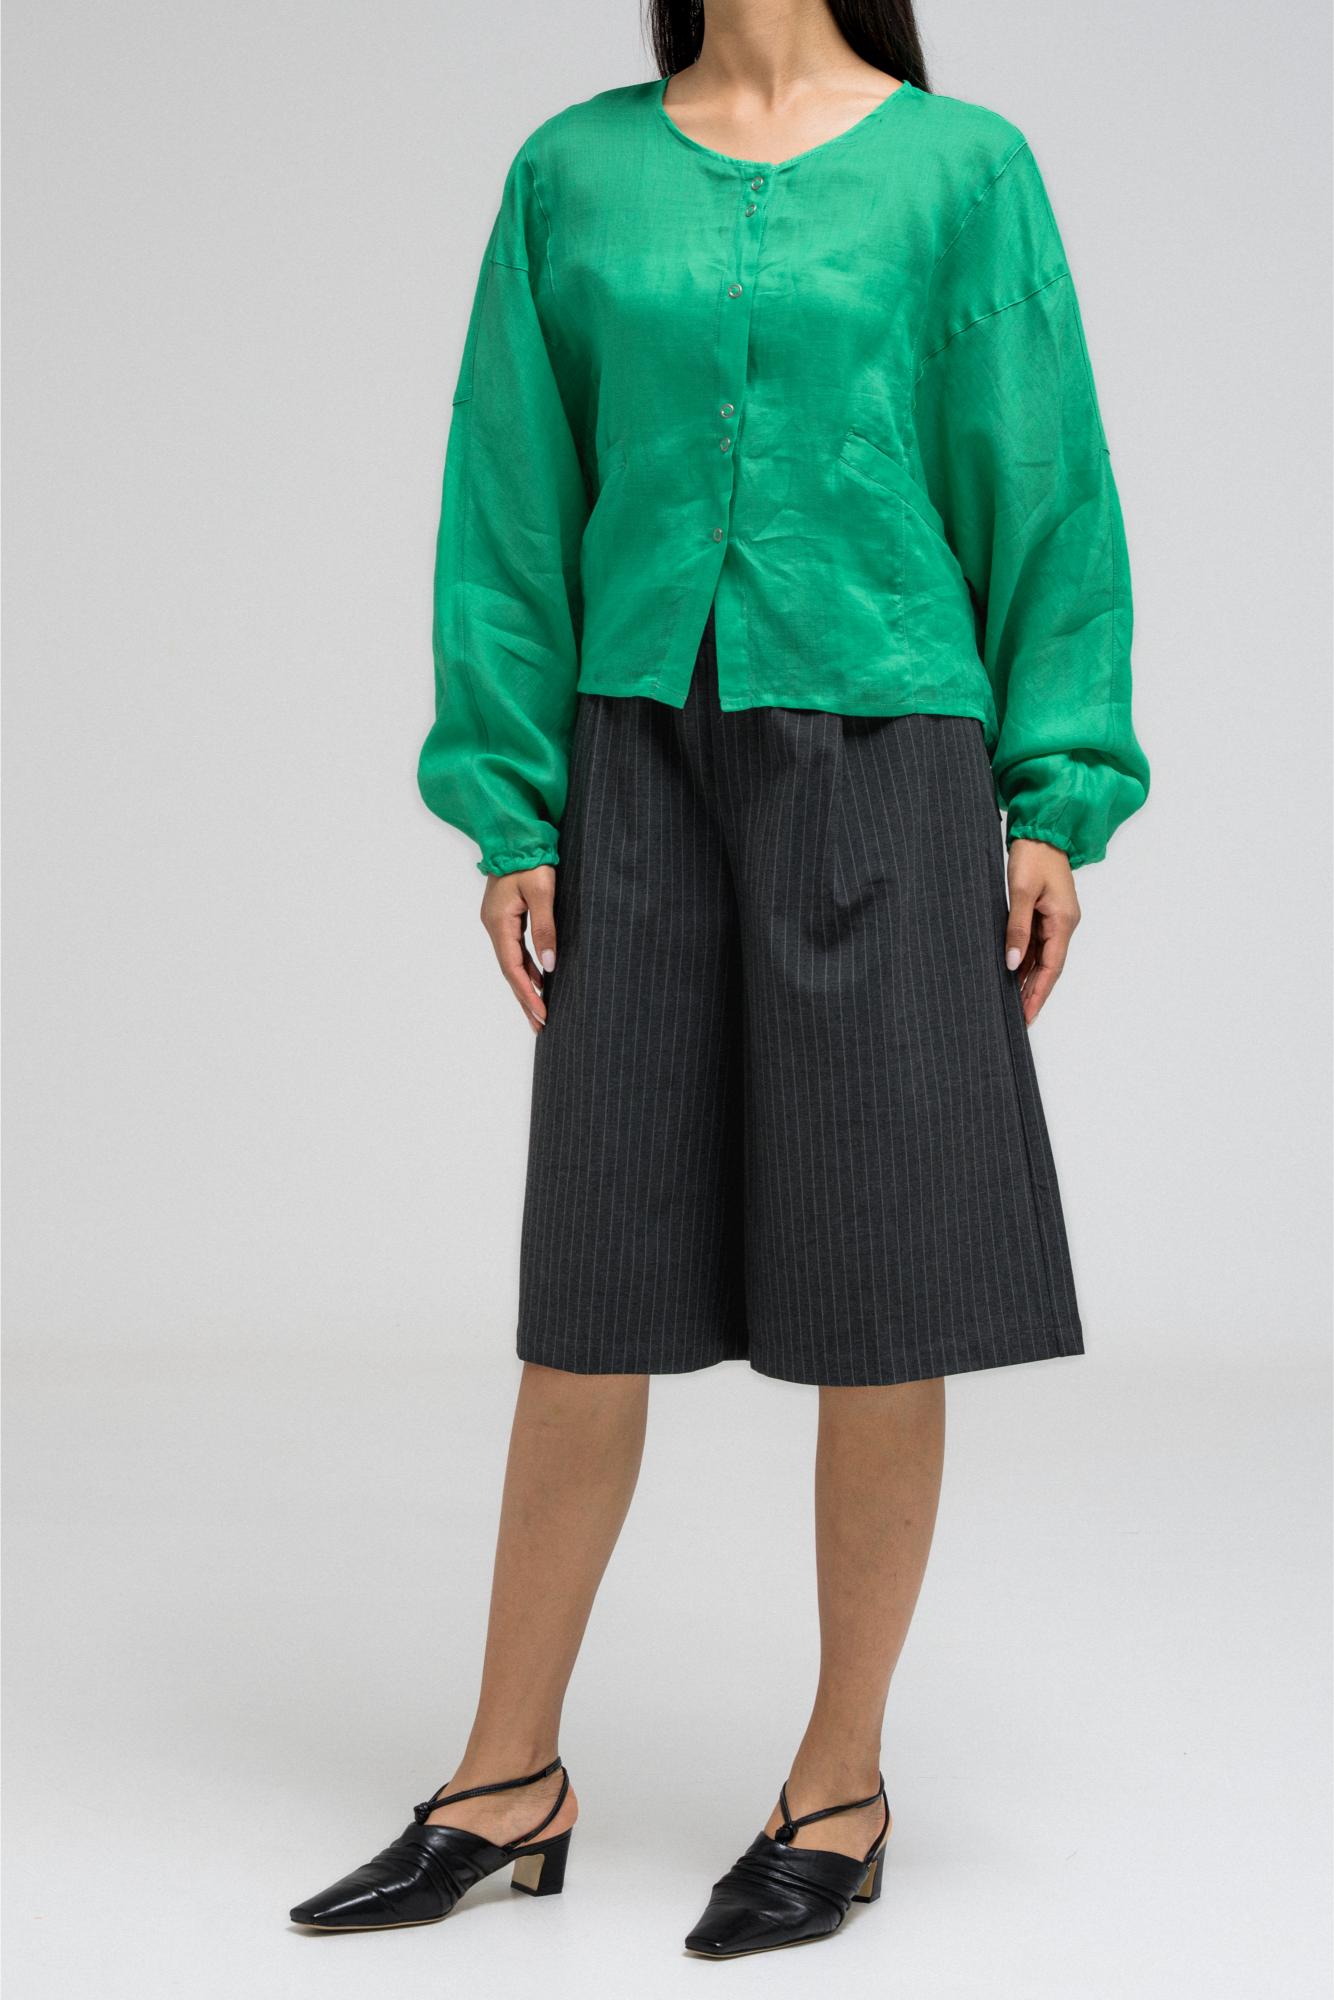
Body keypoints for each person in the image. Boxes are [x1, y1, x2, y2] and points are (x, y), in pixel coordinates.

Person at [289, 0, 1149, 1958]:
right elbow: (509, 493)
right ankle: (504, 1778)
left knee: (881, 1285)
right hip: (632, 760)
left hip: (888, 748)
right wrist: (510, 804)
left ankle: (836, 1786)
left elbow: (1042, 478)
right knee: (592, 1290)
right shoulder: (572, 169)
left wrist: (1053, 794)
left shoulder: (961, 168)